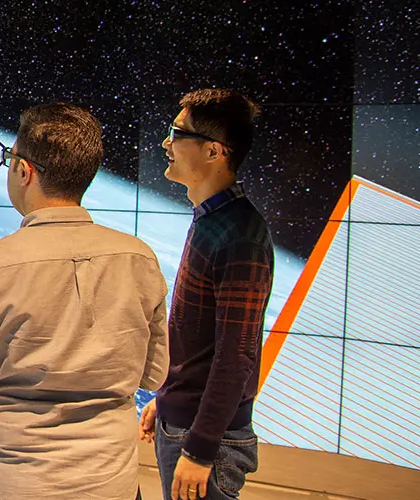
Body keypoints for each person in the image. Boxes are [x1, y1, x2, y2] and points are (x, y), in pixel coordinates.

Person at [0, 102, 170, 500]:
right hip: (111, 483)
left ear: (24, 170)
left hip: (10, 483)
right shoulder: (140, 259)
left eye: (8, 158)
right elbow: (153, 374)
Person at [138, 88, 271, 500]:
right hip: (185, 420)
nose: (165, 143)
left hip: (203, 439)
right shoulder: (213, 220)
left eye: (177, 133)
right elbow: (201, 340)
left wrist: (199, 448)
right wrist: (168, 397)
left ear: (213, 152)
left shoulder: (240, 236)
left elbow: (236, 356)